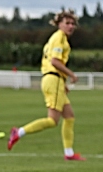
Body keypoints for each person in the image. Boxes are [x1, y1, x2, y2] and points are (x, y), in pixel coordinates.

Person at [7, 10, 85, 160]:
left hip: (55, 80)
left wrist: (63, 83)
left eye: (72, 23)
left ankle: (69, 153)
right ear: (59, 24)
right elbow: (55, 62)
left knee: (69, 116)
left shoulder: (56, 38)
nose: (71, 26)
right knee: (52, 120)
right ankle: (19, 132)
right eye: (67, 23)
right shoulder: (59, 37)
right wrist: (71, 75)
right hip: (53, 79)